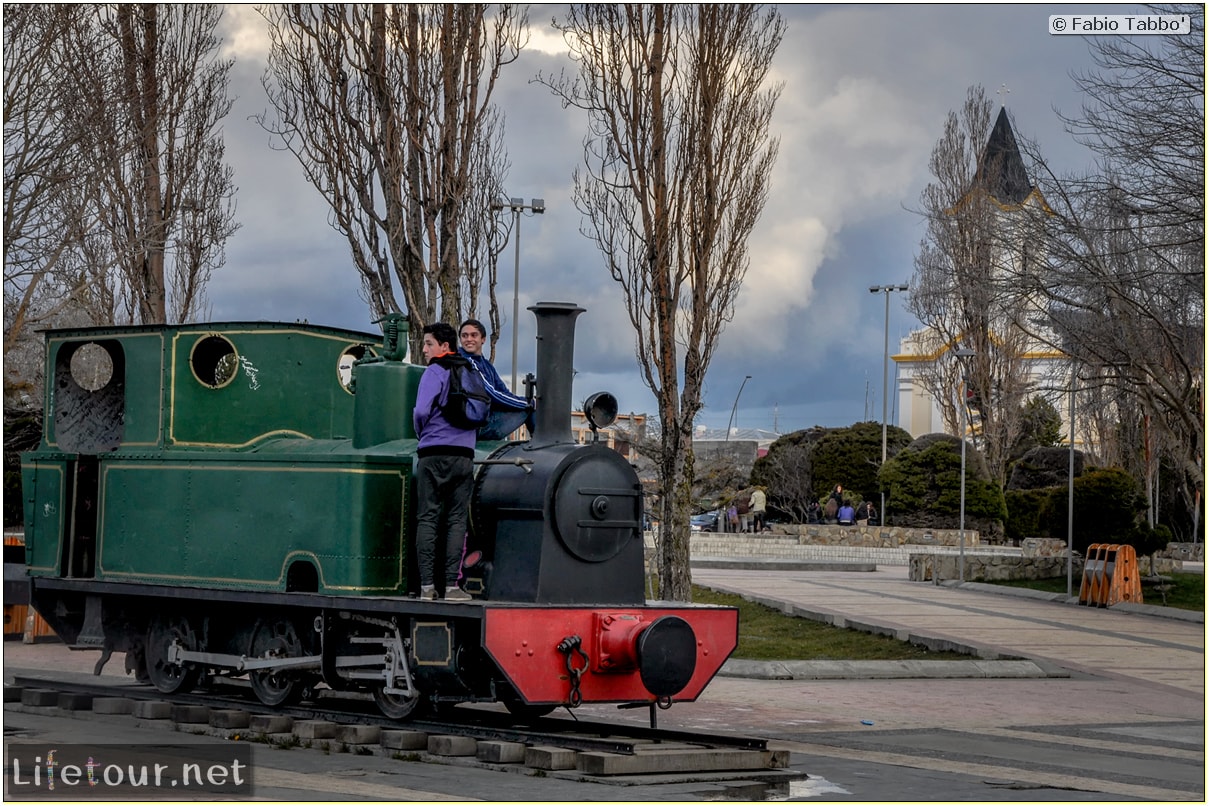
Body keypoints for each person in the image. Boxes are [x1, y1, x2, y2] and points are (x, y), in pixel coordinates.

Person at [413, 322, 476, 602]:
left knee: (427, 518)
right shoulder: (469, 371)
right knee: (457, 521)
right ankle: (452, 586)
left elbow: (421, 410)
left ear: (444, 347)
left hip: (434, 453)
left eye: (428, 344)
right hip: (464, 456)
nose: (425, 349)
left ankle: (427, 586)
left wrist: (422, 432)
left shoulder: (434, 371)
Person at [458, 319, 533, 440]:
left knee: (529, 406)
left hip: (486, 418)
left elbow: (503, 392)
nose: (468, 339)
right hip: (475, 426)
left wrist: (525, 402)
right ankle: (543, 446)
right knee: (529, 409)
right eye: (464, 336)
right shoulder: (466, 362)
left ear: (483, 339)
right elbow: (491, 393)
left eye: (474, 335)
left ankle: (542, 443)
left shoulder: (486, 365)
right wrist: (528, 403)